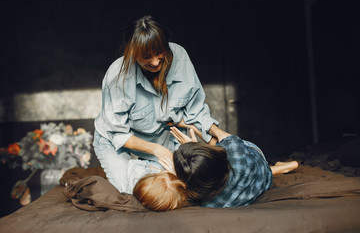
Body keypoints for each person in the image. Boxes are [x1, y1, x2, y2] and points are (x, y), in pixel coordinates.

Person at [93, 15, 219, 192]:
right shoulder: (117, 76)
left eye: (160, 52)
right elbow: (118, 134)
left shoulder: (180, 57)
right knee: (136, 192)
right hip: (116, 141)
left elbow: (196, 113)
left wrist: (220, 144)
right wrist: (158, 151)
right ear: (131, 52)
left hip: (164, 140)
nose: (155, 62)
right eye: (146, 57)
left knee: (186, 187)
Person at [168, 123, 299, 207]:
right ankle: (273, 169)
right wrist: (195, 133)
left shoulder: (207, 203)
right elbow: (224, 137)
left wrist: (178, 171)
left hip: (257, 184)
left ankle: (275, 169)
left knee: (218, 148)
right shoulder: (236, 152)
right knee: (222, 143)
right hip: (259, 170)